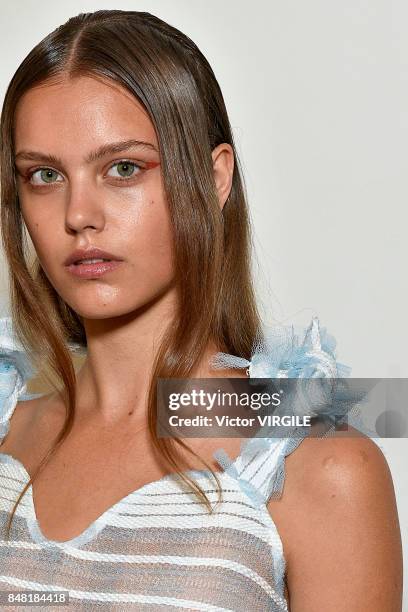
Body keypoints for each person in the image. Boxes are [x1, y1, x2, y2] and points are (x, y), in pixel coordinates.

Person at [0, 9, 402, 611]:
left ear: (214, 180)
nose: (78, 214)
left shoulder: (320, 468)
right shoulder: (7, 436)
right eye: (45, 174)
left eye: (124, 168)